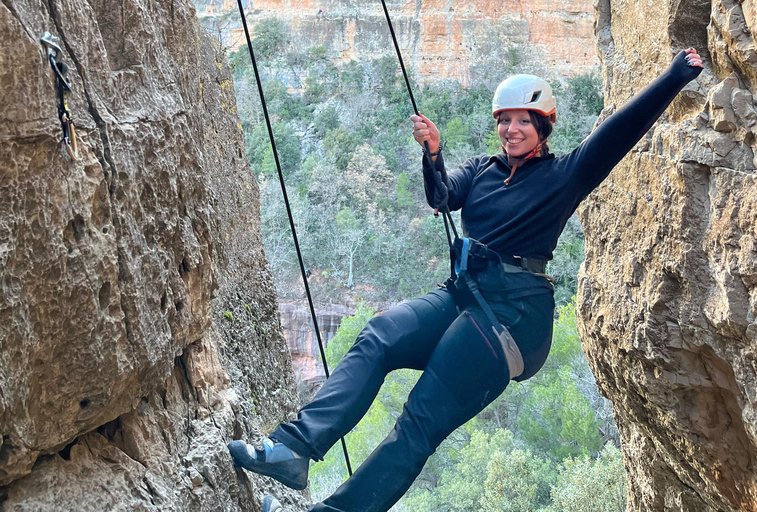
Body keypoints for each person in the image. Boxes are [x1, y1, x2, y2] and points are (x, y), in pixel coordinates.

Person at [229, 48, 704, 512]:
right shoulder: (482, 170)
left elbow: (616, 134)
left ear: (543, 126)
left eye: (523, 120)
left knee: (420, 417)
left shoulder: (565, 175)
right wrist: (432, 152)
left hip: (511, 316)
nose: (511, 129)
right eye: (504, 120)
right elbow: (441, 197)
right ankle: (293, 450)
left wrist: (674, 77)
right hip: (463, 294)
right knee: (379, 336)